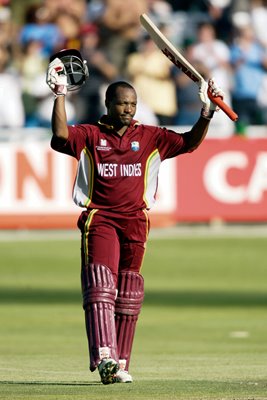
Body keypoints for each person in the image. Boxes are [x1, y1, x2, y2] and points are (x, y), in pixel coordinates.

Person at [46, 55, 224, 384]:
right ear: (108, 103)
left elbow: (188, 143)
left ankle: (122, 362)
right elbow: (59, 137)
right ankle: (104, 357)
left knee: (128, 292)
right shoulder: (88, 135)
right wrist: (60, 94)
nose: (128, 109)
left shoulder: (151, 136)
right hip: (100, 217)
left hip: (136, 220)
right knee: (101, 286)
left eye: (132, 104)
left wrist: (206, 113)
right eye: (122, 104)